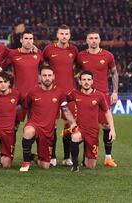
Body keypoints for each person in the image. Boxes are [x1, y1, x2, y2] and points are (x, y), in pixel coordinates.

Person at [19, 66, 76, 172]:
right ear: (40, 77)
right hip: (34, 125)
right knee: (28, 131)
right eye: (44, 75)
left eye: (49, 75)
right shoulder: (32, 92)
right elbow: (25, 107)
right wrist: (23, 122)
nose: (47, 78)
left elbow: (66, 110)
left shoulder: (59, 93)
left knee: (45, 165)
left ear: (53, 77)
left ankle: (32, 157)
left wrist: (73, 124)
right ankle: (26, 162)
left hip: (48, 131)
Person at [77, 30, 119, 167]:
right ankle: (85, 157)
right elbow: (75, 73)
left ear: (99, 40)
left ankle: (108, 157)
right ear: (87, 40)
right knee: (85, 126)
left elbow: (114, 73)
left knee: (106, 125)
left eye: (96, 38)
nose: (93, 40)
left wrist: (115, 92)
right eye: (91, 38)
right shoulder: (81, 56)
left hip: (104, 95)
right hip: (86, 97)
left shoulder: (107, 55)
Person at [43, 24, 78, 167]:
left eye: (66, 34)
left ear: (69, 36)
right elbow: (42, 65)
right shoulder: (49, 49)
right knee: (52, 125)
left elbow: (80, 67)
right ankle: (52, 156)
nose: (64, 36)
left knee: (67, 124)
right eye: (62, 34)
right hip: (52, 93)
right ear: (57, 35)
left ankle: (66, 157)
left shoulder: (74, 50)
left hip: (69, 94)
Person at [68, 70, 117, 172]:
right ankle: (75, 165)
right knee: (74, 136)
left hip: (93, 132)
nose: (86, 82)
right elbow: (62, 102)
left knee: (90, 165)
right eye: (84, 79)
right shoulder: (74, 93)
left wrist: (112, 129)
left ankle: (85, 158)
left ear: (92, 81)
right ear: (80, 81)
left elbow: (107, 112)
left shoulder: (99, 95)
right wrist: (71, 120)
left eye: (89, 80)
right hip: (80, 129)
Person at [2, 31, 43, 128]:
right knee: (13, 125)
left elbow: (45, 67)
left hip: (34, 96)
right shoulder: (13, 54)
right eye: (26, 38)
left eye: (31, 39)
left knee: (34, 126)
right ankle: (11, 144)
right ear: (21, 40)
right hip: (18, 96)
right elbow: (2, 68)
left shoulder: (38, 54)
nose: (28, 41)